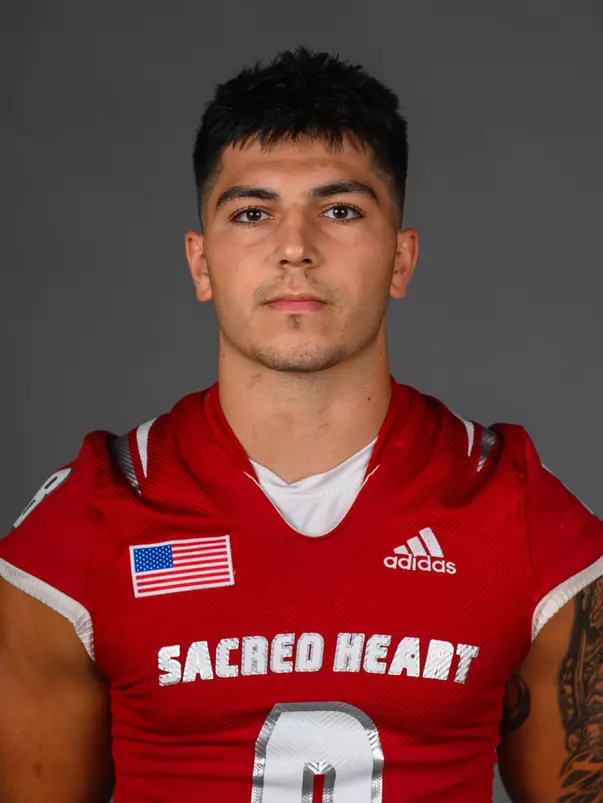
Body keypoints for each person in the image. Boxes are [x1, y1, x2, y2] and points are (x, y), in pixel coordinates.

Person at [0, 45, 602, 803]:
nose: (294, 249)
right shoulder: (84, 523)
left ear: (400, 259)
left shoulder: (518, 514)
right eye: (251, 213)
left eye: (340, 210)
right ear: (200, 262)